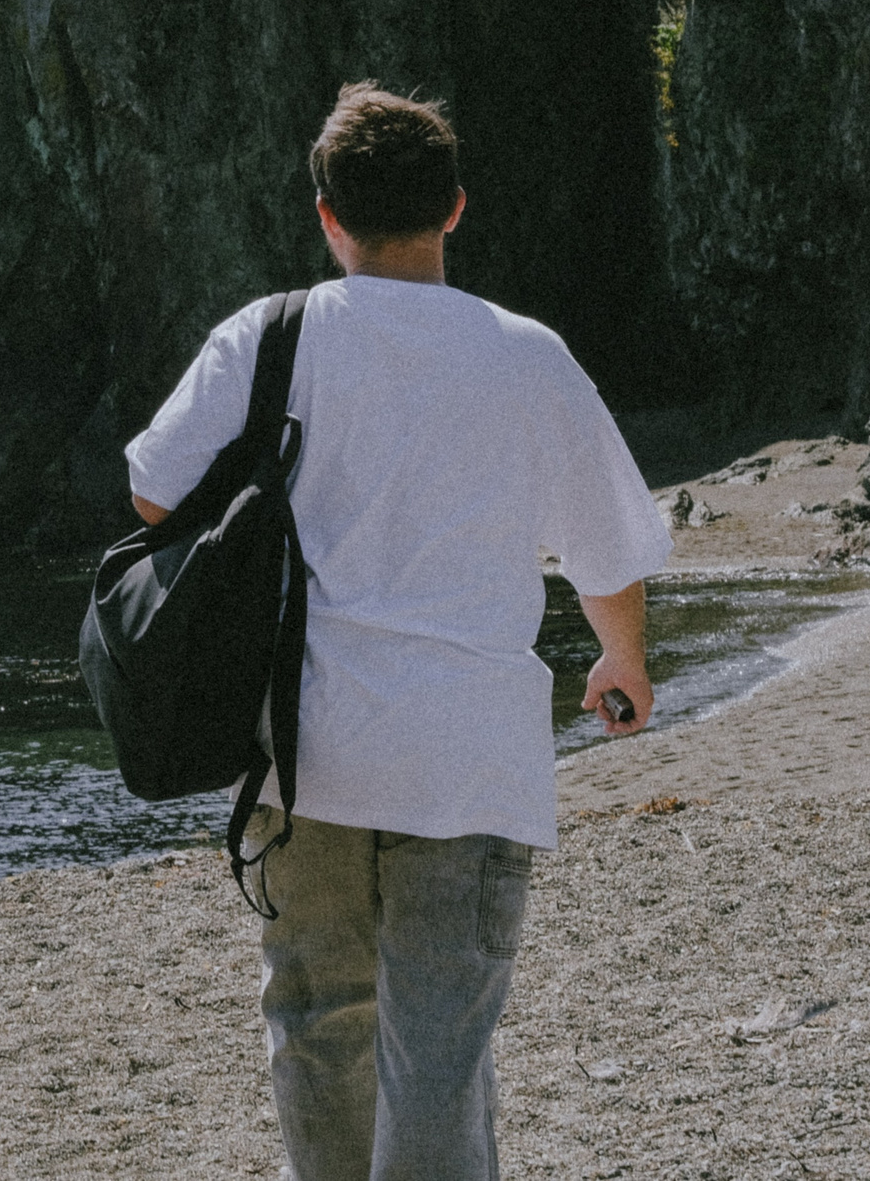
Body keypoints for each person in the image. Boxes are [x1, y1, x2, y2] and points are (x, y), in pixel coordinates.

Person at [123, 83, 670, 1180]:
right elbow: (608, 546)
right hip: (468, 758)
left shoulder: (268, 335)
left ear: (327, 215)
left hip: (305, 745)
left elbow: (150, 493)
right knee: (439, 1051)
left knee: (320, 1022)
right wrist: (621, 657)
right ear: (454, 210)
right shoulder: (526, 355)